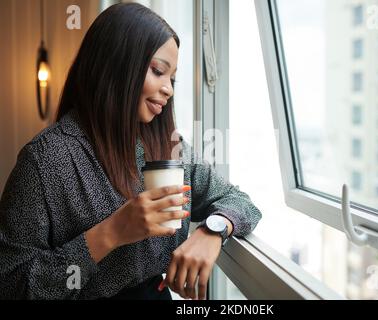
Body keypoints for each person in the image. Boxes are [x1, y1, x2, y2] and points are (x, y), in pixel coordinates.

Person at [0, 3, 261, 300]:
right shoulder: (44, 161)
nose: (169, 89)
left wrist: (212, 231)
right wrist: (110, 233)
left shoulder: (169, 148)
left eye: (171, 79)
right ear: (117, 63)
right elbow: (11, 285)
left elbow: (241, 203)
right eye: (159, 71)